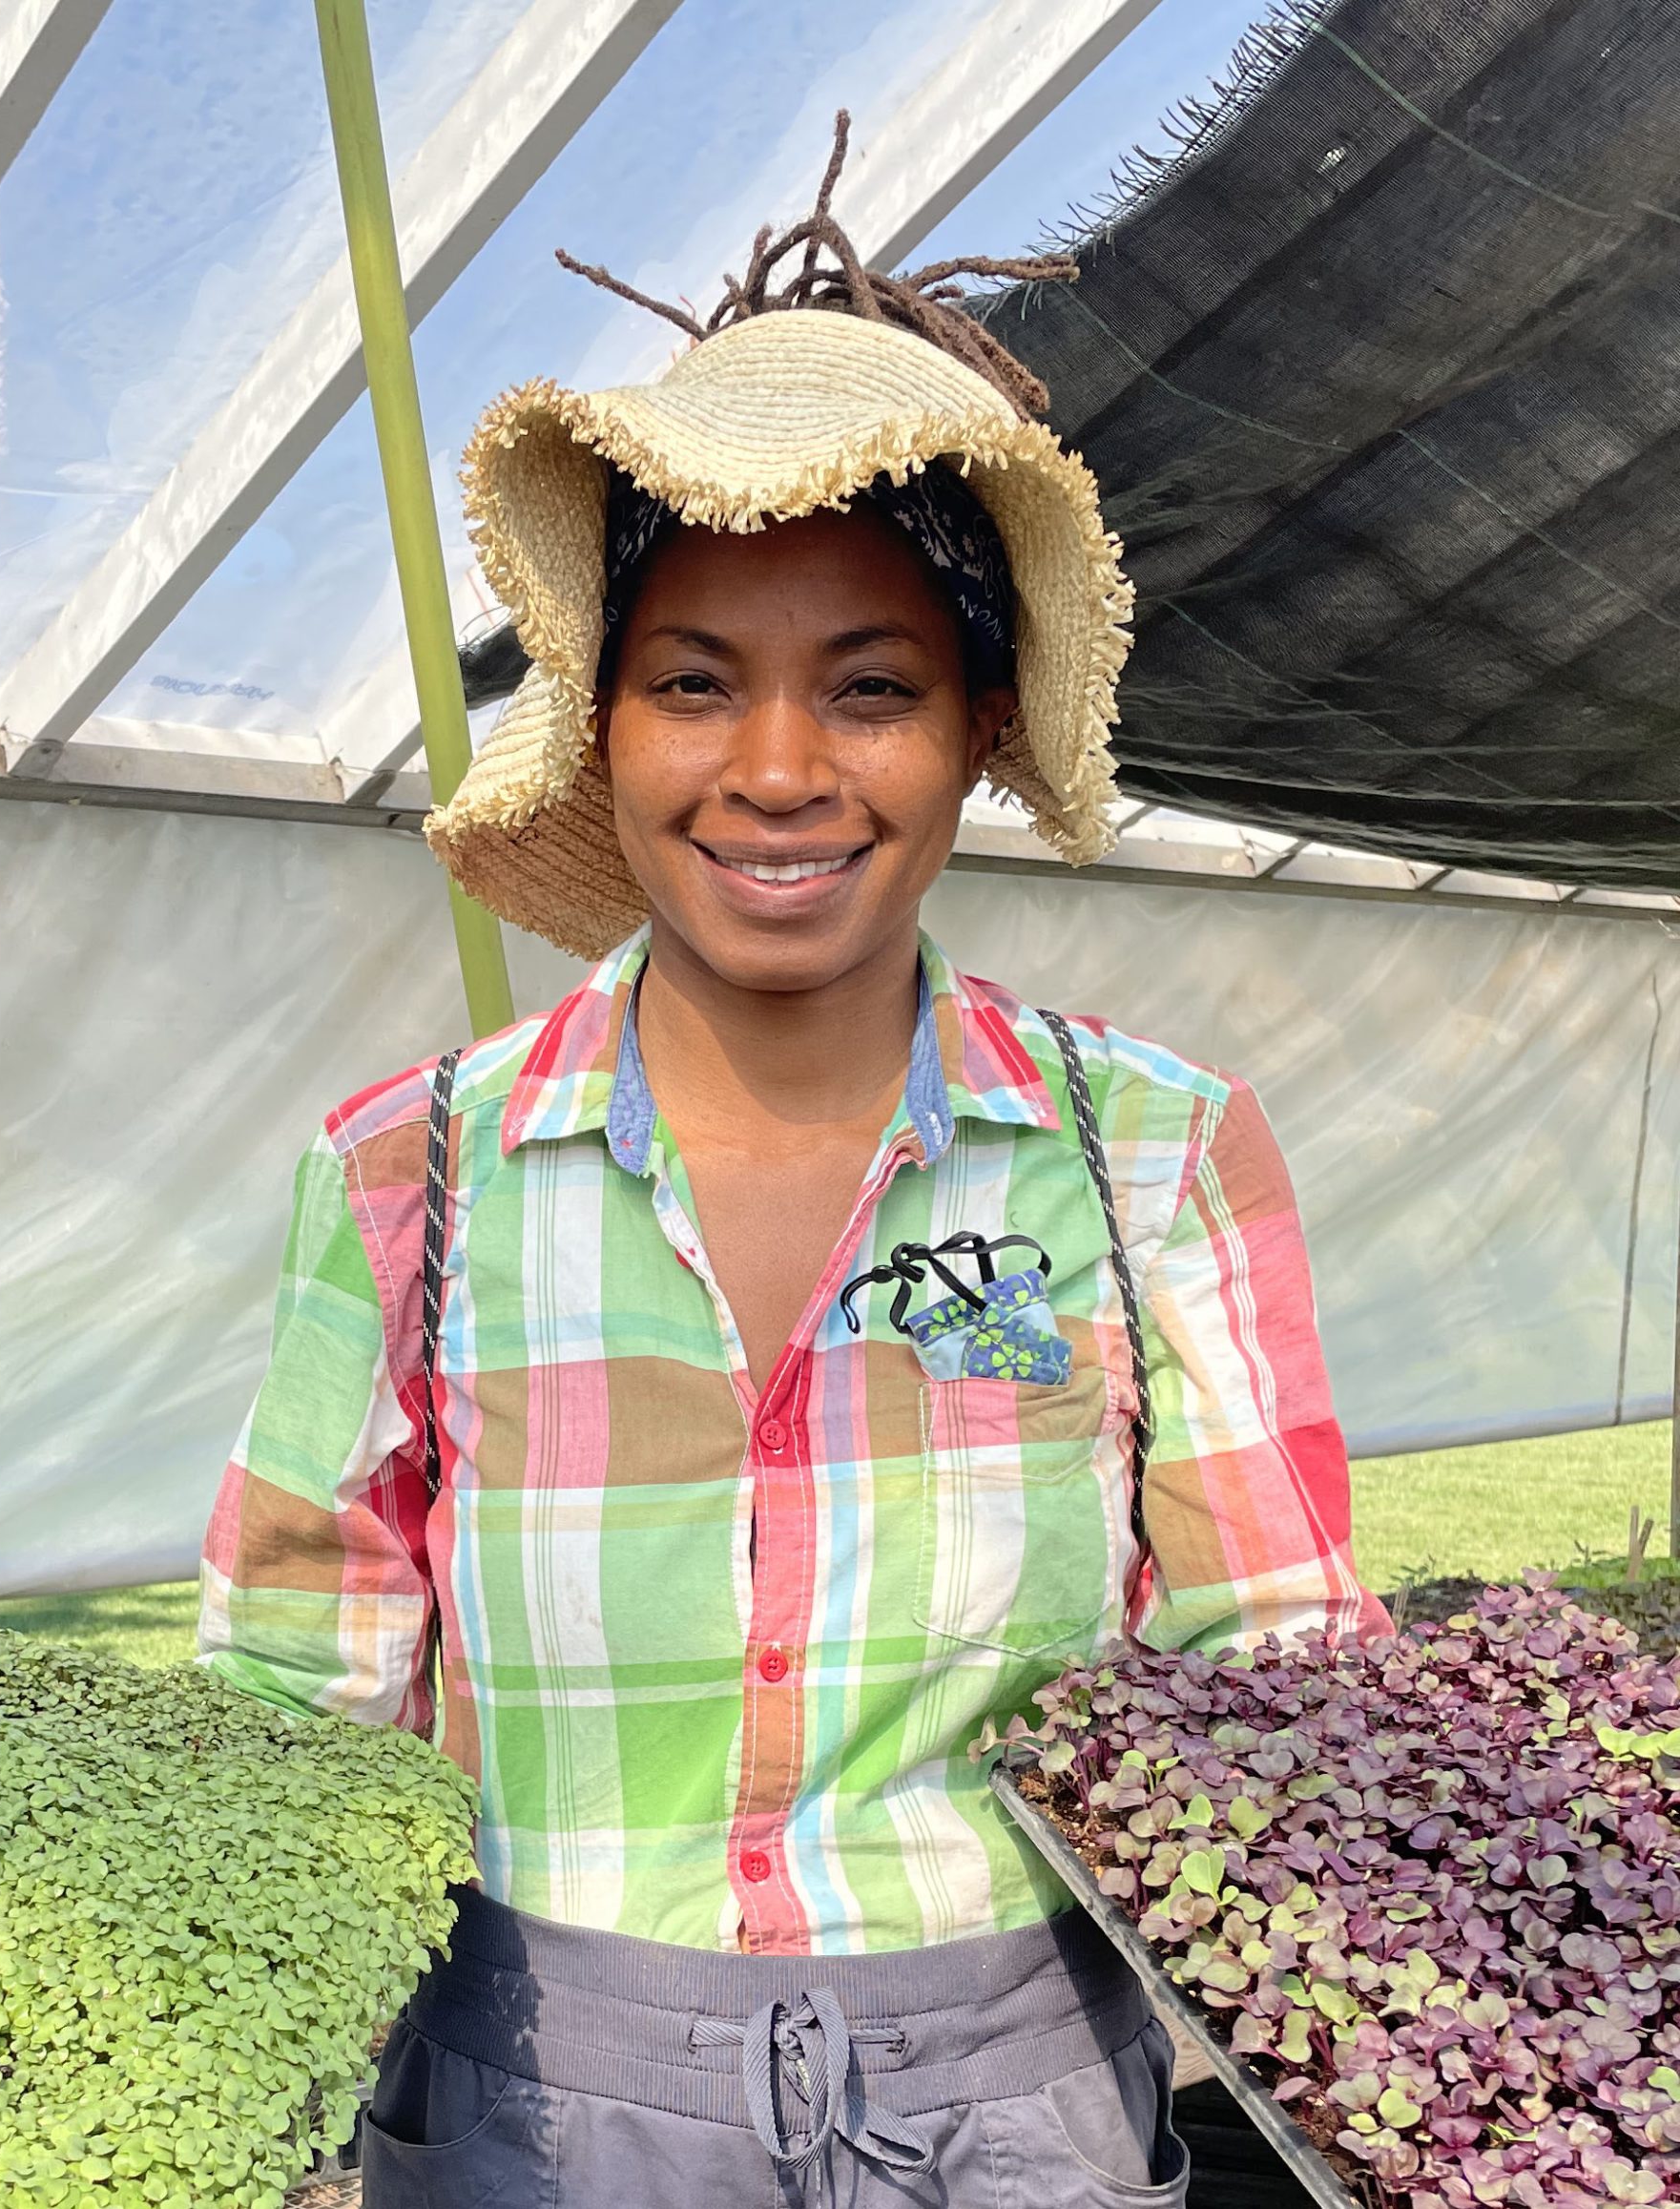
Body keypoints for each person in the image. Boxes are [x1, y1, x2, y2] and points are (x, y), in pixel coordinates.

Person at [198, 120, 1381, 2207]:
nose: (773, 770)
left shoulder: (1145, 1151)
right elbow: (295, 1678)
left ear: (970, 731)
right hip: (529, 2103)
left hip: (1014, 2096)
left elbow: (1272, 1653)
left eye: (868, 691)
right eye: (690, 685)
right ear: (599, 726)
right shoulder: (413, 1172)